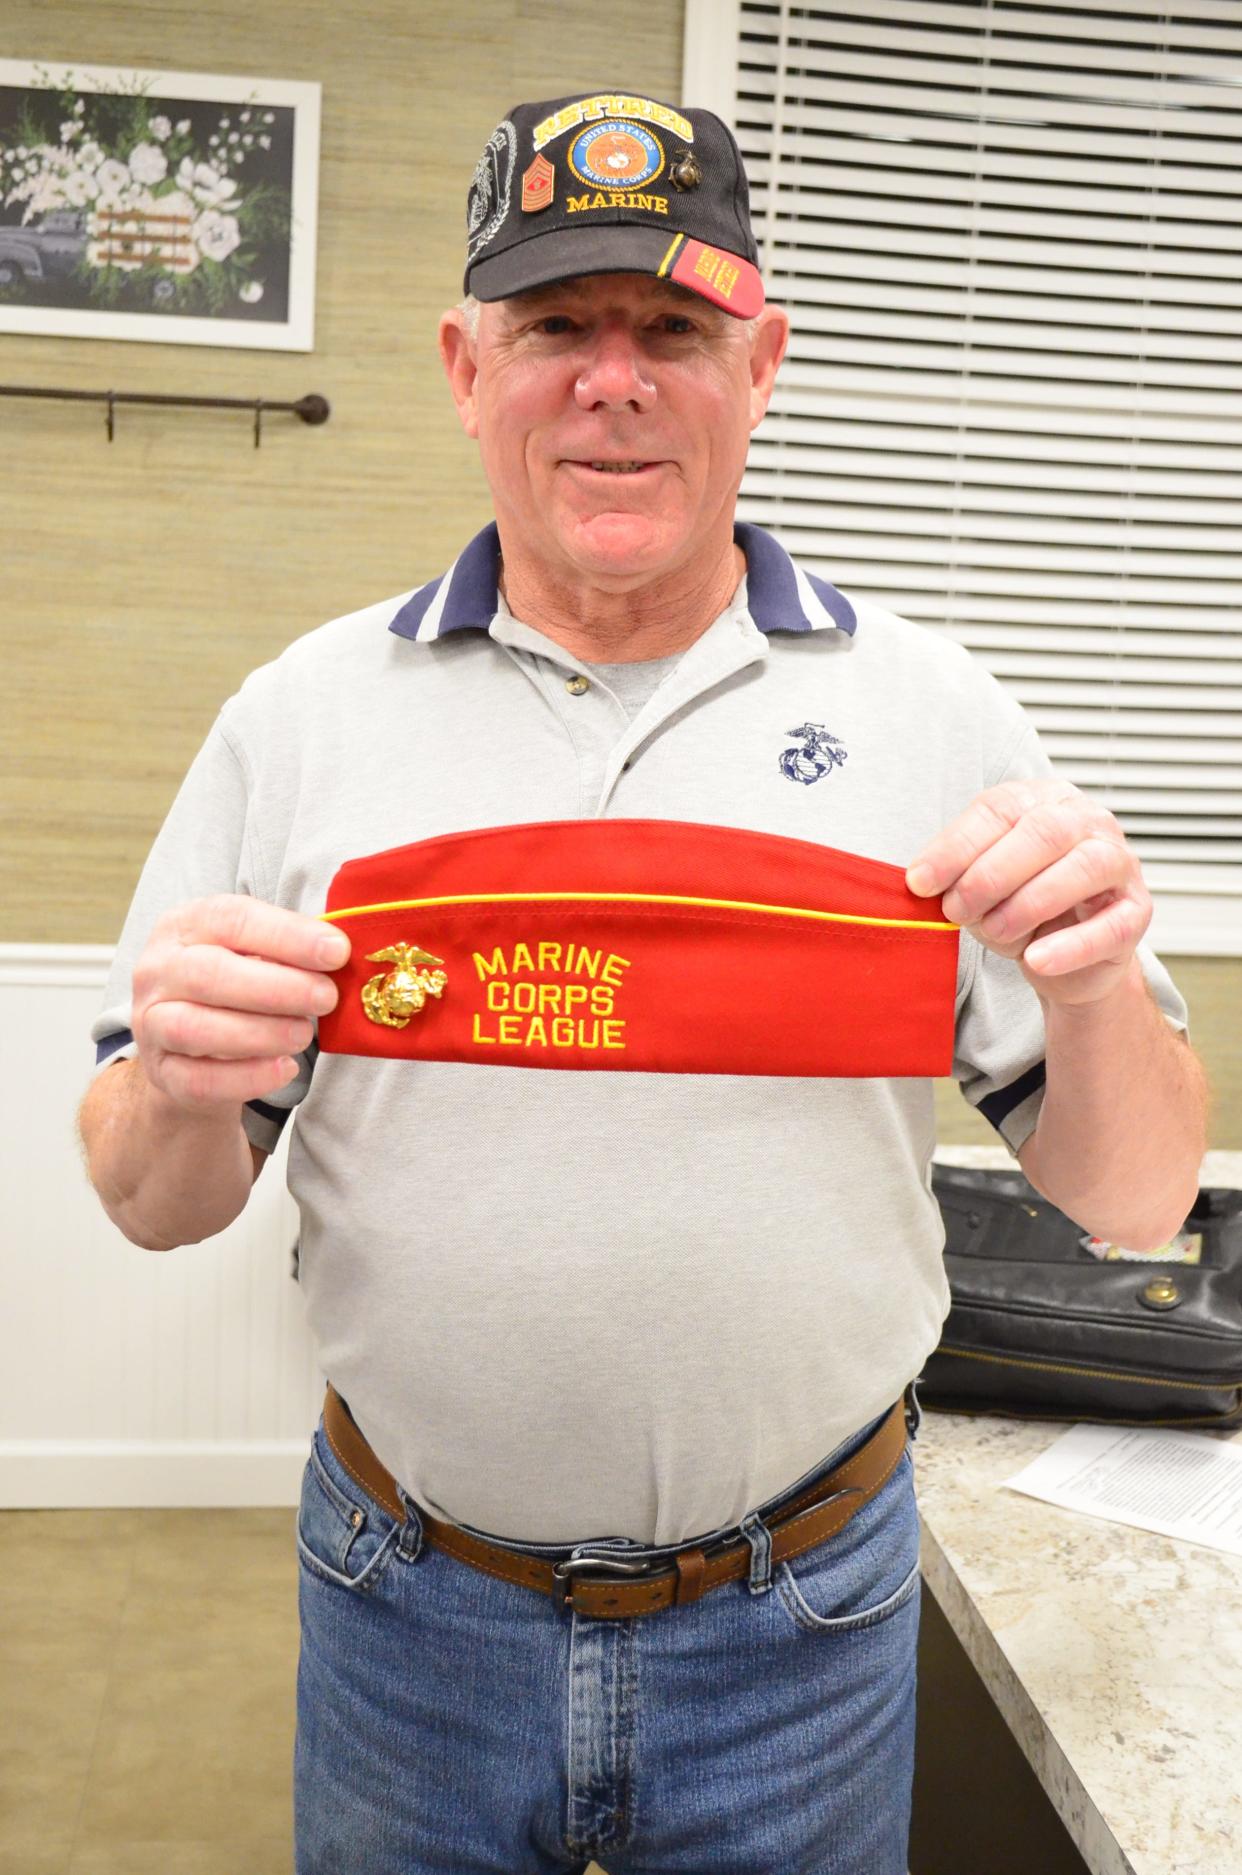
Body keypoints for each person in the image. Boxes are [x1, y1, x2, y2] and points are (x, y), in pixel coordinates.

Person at [79, 89, 1207, 1875]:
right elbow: (152, 1203)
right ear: (465, 367)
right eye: (554, 328)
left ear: (758, 365)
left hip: (803, 1623)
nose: (614, 380)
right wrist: (174, 1083)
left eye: (672, 329)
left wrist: (1085, 983)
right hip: (406, 1610)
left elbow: (1137, 1201)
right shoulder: (299, 717)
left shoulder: (940, 712)